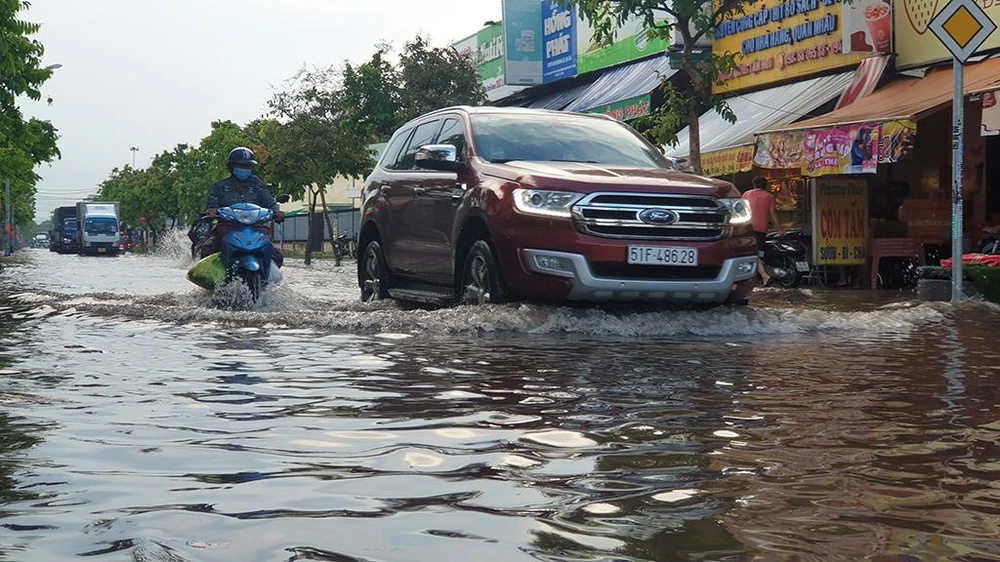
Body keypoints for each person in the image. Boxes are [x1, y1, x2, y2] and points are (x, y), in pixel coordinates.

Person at [192, 147, 285, 264]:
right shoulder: (220, 186)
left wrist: (276, 212)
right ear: (231, 167)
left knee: (277, 256)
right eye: (241, 166)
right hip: (227, 227)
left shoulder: (257, 184)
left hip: (255, 228)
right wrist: (211, 212)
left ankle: (267, 278)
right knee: (207, 250)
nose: (245, 169)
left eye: (248, 166)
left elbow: (270, 202)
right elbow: (211, 206)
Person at [742, 176, 784, 286]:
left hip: (748, 228)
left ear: (754, 185)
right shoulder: (769, 196)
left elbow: (741, 210)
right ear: (766, 186)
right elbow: (773, 214)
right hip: (762, 229)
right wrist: (779, 230)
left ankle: (764, 276)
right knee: (759, 253)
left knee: (752, 253)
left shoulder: (746, 194)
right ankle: (761, 276)